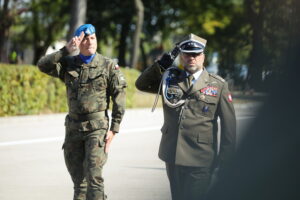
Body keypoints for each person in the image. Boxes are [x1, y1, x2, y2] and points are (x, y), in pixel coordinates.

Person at [135, 33, 236, 200]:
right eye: (187, 53)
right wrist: (160, 65)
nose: (192, 58)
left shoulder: (218, 85)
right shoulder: (169, 79)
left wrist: (226, 163)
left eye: (196, 54)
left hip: (201, 157)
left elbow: (229, 127)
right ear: (181, 55)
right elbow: (141, 84)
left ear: (203, 56)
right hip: (172, 154)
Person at [37, 24, 127, 200]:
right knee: (79, 182)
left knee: (94, 178)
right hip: (73, 128)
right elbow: (42, 65)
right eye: (85, 38)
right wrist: (65, 50)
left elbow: (119, 97)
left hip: (97, 128)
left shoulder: (108, 66)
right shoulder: (69, 64)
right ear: (78, 41)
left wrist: (114, 129)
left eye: (93, 38)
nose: (90, 41)